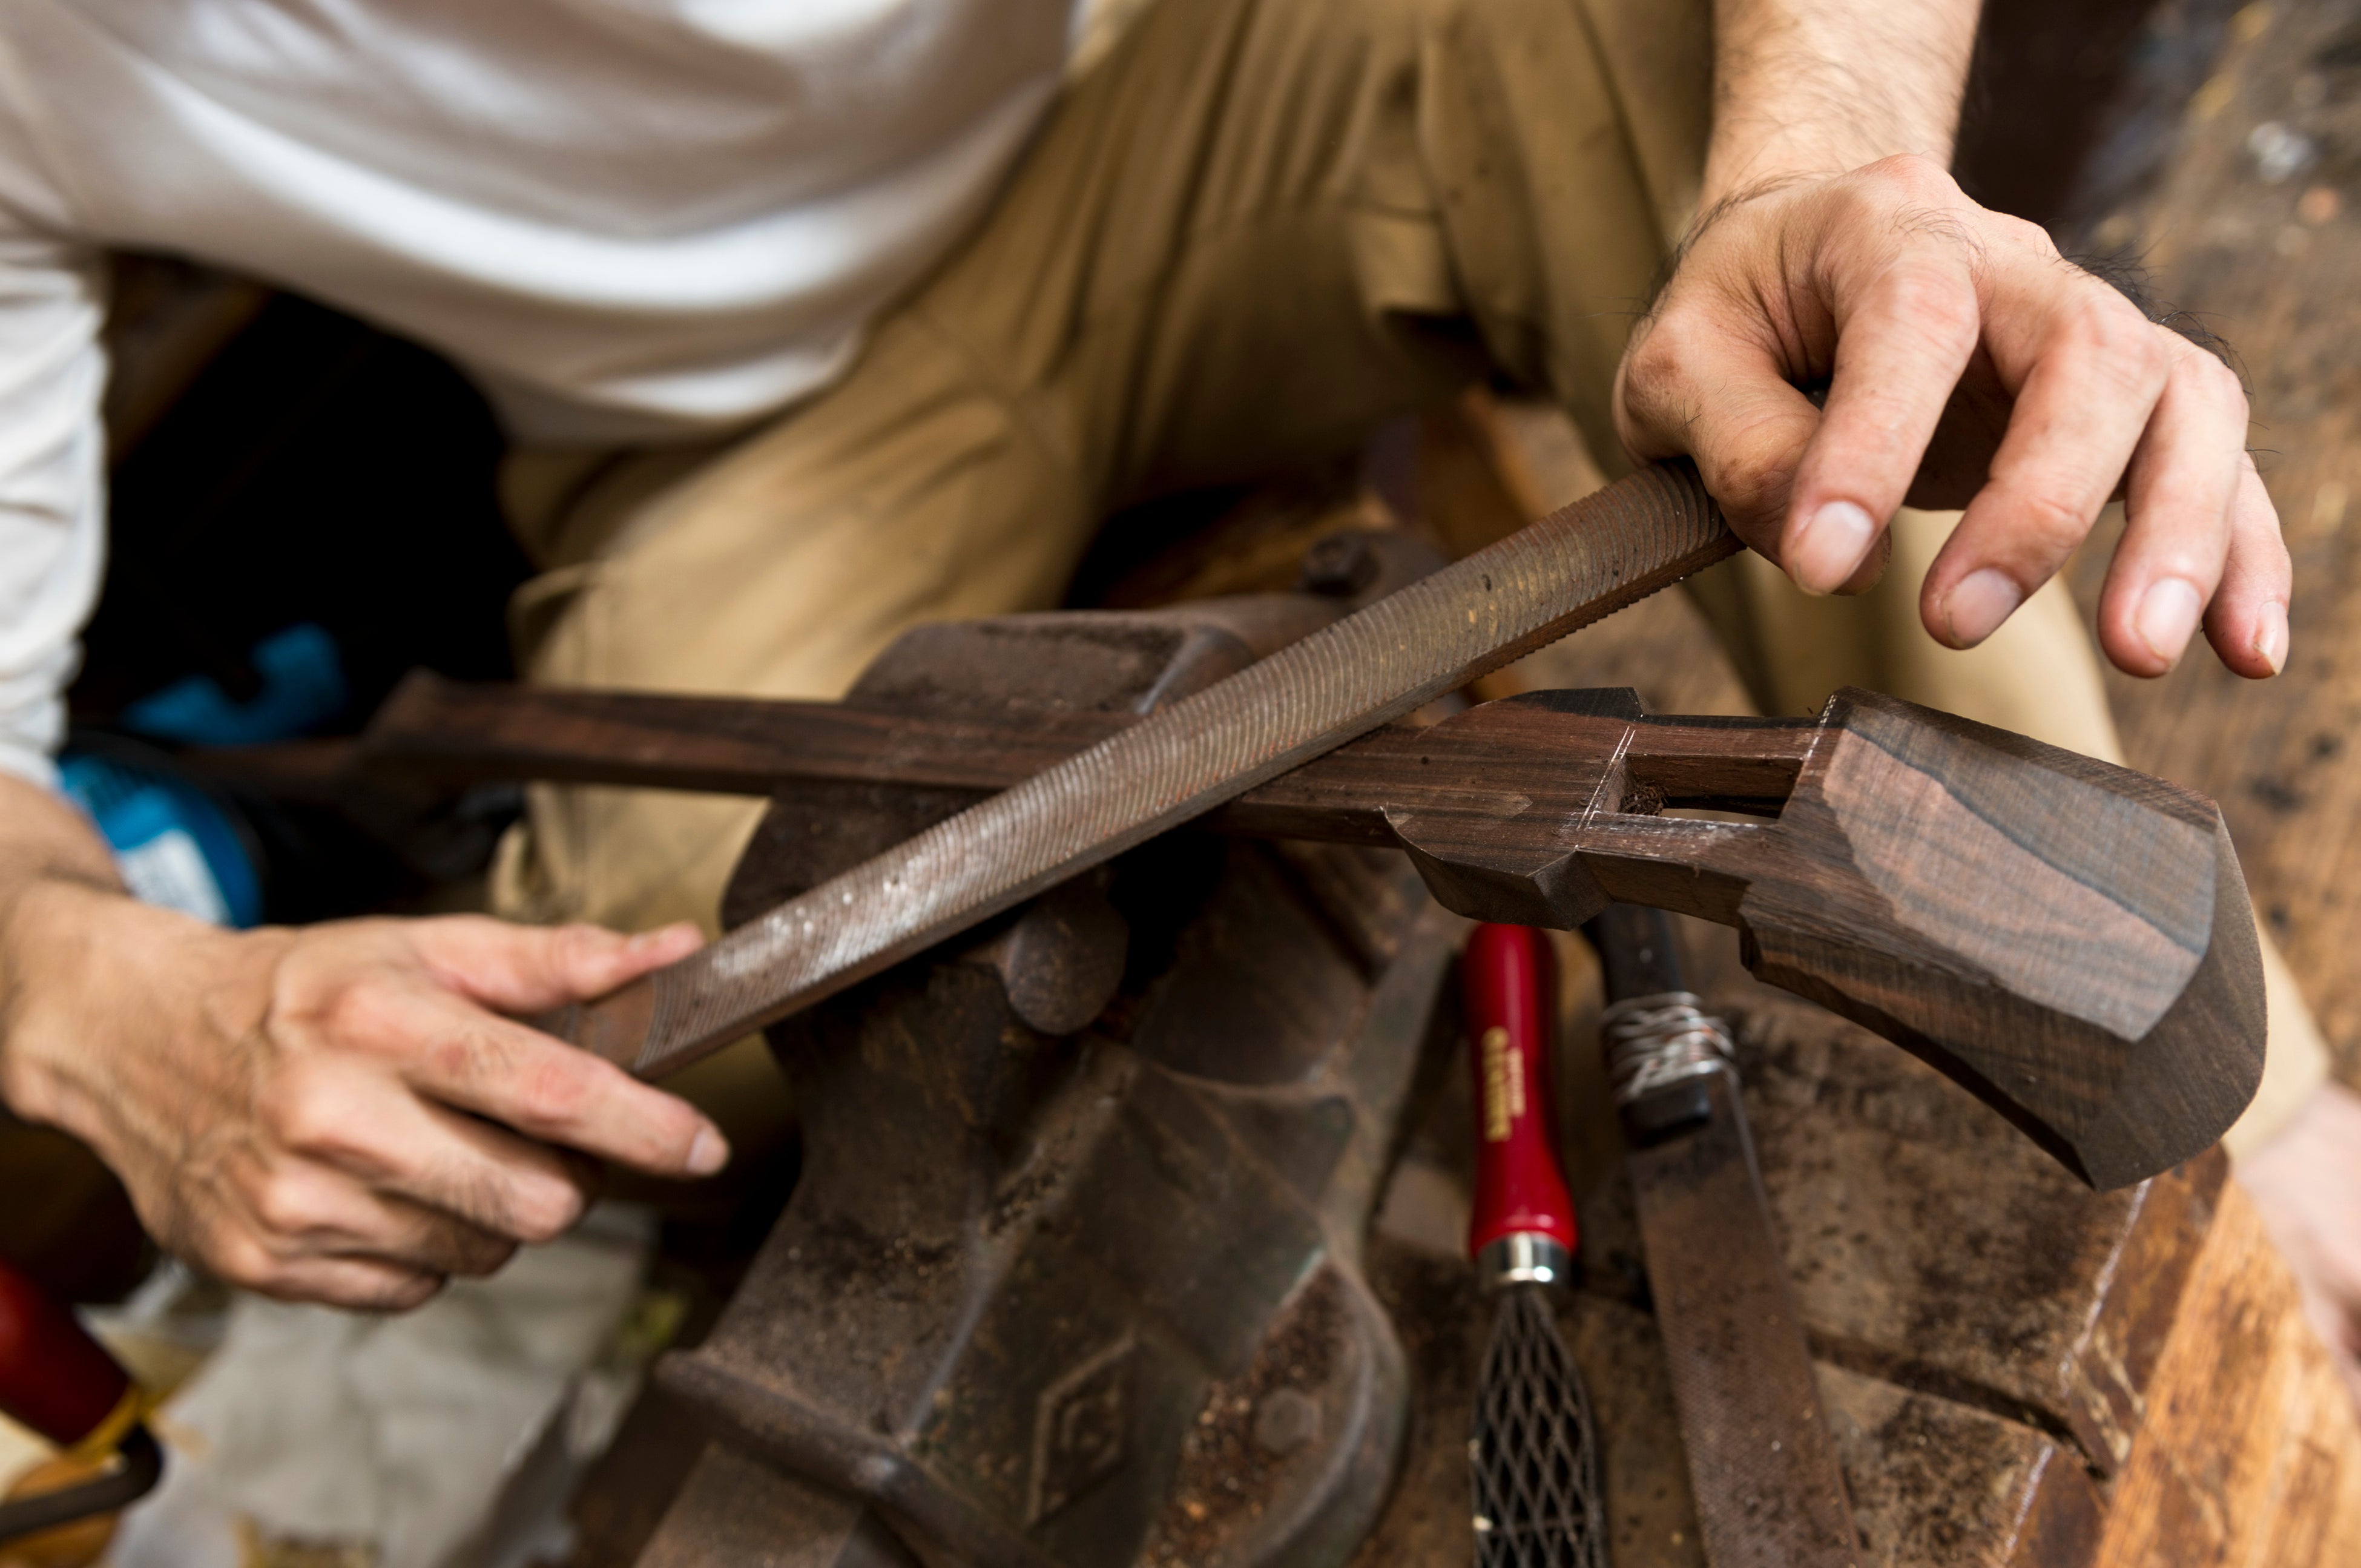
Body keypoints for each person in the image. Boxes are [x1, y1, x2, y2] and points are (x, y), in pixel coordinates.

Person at [0, 0, 2336, 1381]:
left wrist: (1832, 146)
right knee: (645, 1016)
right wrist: (99, 997)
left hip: (1193, 87)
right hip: (731, 431)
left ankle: (2242, 1107)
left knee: (1761, 216)